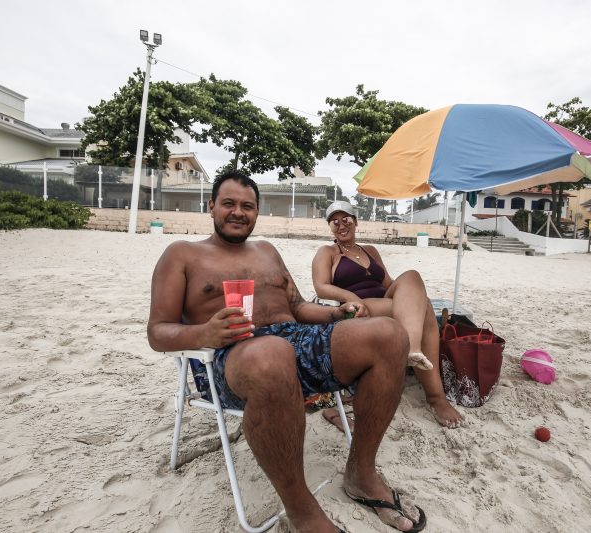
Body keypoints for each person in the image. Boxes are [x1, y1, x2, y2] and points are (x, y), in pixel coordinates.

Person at [147, 170, 427, 533]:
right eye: (228, 203)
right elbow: (157, 332)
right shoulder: (182, 254)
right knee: (272, 354)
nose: (238, 212)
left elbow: (296, 307)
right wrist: (206, 331)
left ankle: (361, 472)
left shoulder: (266, 251)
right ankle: (301, 510)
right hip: (230, 355)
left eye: (247, 206)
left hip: (295, 339)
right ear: (211, 205)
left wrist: (333, 313)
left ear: (257, 212)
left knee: (388, 334)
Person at [312, 201, 463, 429]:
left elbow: (389, 283)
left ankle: (415, 354)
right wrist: (352, 298)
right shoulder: (328, 253)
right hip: (361, 307)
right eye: (335, 221)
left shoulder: (370, 250)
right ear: (330, 227)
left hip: (384, 299)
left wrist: (412, 297)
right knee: (425, 311)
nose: (341, 225)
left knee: (414, 280)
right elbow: (321, 286)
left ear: (356, 221)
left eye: (346, 219)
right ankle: (435, 396)